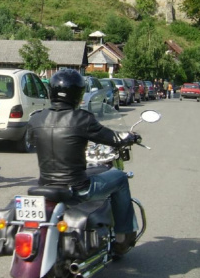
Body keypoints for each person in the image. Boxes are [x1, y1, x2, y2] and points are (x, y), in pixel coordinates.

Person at [28, 69, 140, 254]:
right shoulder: (82, 119)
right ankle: (122, 236)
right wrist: (129, 138)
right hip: (77, 189)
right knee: (119, 178)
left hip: (46, 184)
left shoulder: (36, 118)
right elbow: (112, 138)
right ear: (78, 93)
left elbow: (33, 140)